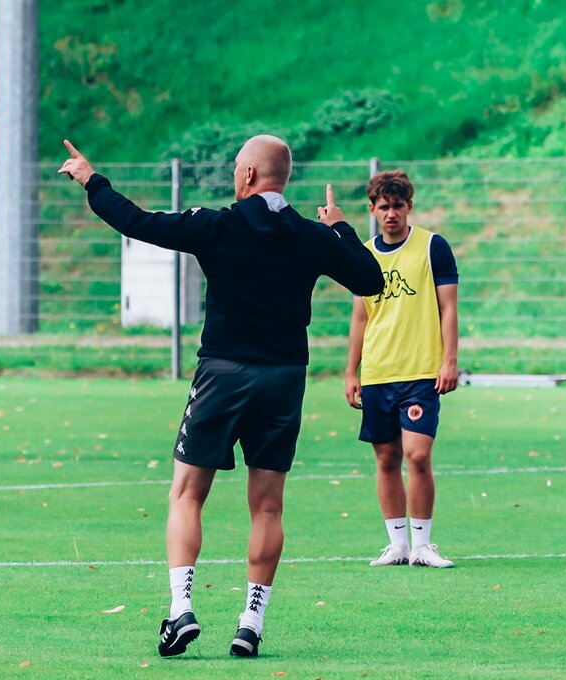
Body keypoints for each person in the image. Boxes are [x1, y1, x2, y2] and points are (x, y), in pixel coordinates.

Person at [59, 136, 384, 658]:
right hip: (284, 379)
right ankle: (251, 623)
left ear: (250, 174)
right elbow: (370, 279)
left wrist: (91, 180)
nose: (235, 175)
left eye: (237, 167)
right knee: (268, 505)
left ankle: (181, 609)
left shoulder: (218, 225)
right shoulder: (310, 235)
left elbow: (137, 222)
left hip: (224, 372)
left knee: (187, 493)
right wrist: (340, 228)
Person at [343, 170, 459, 568]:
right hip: (378, 372)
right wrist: (351, 371)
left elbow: (448, 308)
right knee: (387, 459)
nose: (390, 213)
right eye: (383, 207)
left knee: (418, 455)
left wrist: (449, 361)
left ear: (409, 206)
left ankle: (423, 545)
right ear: (372, 210)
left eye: (397, 206)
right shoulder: (364, 256)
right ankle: (398, 546)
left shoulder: (433, 247)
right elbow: (360, 317)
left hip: (421, 372)